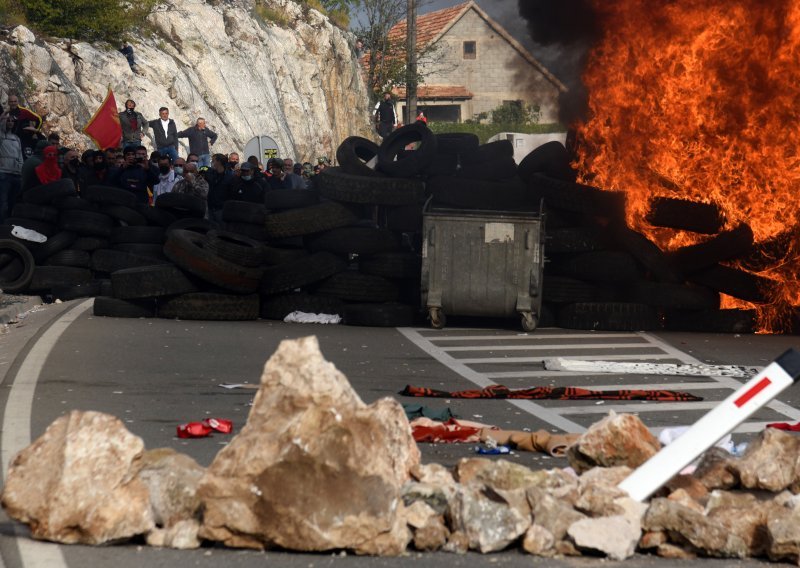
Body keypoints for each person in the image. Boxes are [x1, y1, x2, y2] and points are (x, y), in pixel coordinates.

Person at [0, 113, 23, 224]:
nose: (10, 123)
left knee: (13, 203)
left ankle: (9, 227)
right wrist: (2, 121)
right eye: (8, 121)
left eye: (12, 121)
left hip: (16, 174)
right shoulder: (0, 135)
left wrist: (21, 168)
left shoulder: (16, 138)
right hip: (4, 173)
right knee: (3, 203)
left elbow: (20, 156)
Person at [6, 94, 43, 158]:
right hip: (11, 141)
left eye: (15, 101)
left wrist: (35, 131)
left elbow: (39, 119)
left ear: (17, 102)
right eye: (11, 102)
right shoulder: (6, 113)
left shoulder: (24, 111)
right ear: (8, 102)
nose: (13, 103)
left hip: (25, 141)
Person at [205, 153, 232, 223]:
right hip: (211, 208)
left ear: (219, 162)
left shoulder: (229, 176)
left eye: (213, 161)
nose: (211, 163)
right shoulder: (210, 173)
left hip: (222, 210)